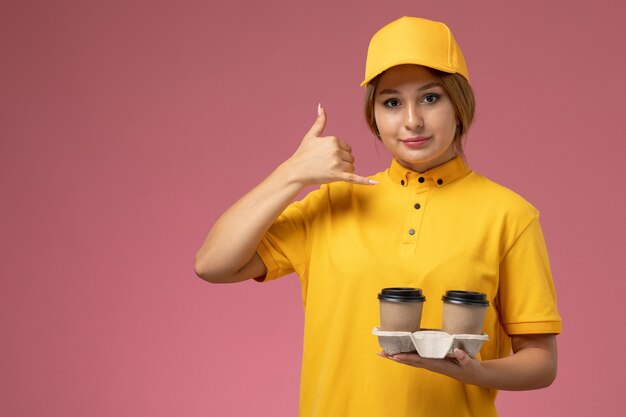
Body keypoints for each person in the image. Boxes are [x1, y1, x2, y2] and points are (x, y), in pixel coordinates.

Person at [195, 16, 561, 417]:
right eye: (391, 102)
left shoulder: (509, 215)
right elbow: (213, 264)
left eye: (430, 98)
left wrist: (474, 373)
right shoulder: (334, 202)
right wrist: (291, 173)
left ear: (460, 105)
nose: (411, 121)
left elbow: (541, 360)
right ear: (374, 116)